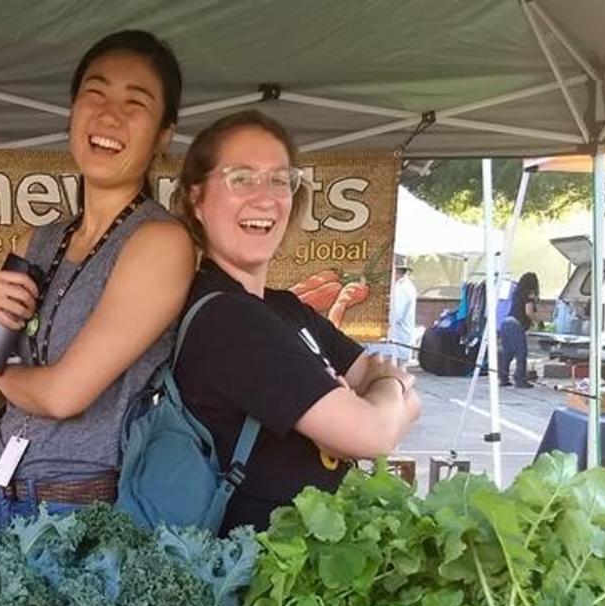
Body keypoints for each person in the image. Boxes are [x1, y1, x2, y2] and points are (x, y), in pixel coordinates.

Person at [0, 30, 195, 527]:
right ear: (73, 110)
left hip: (79, 507)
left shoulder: (160, 242)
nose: (108, 115)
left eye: (135, 103)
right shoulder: (41, 239)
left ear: (164, 133)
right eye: (94, 94)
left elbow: (62, 395)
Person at [173, 110, 422, 534]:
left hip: (300, 567)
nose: (265, 197)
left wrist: (376, 397)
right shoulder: (228, 320)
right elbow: (375, 434)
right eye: (241, 178)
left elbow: (409, 404)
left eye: (279, 180)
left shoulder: (285, 307)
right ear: (197, 199)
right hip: (251, 577)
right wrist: (386, 391)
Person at [499, 270, 539, 388]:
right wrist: (537, 322)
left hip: (506, 323)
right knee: (521, 353)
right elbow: (528, 312)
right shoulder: (529, 294)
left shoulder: (516, 293)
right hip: (516, 325)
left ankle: (503, 378)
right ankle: (520, 380)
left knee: (507, 353)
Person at [387, 253, 418, 365]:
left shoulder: (401, 288)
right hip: (398, 342)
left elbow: (395, 315)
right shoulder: (403, 286)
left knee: (394, 375)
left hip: (398, 341)